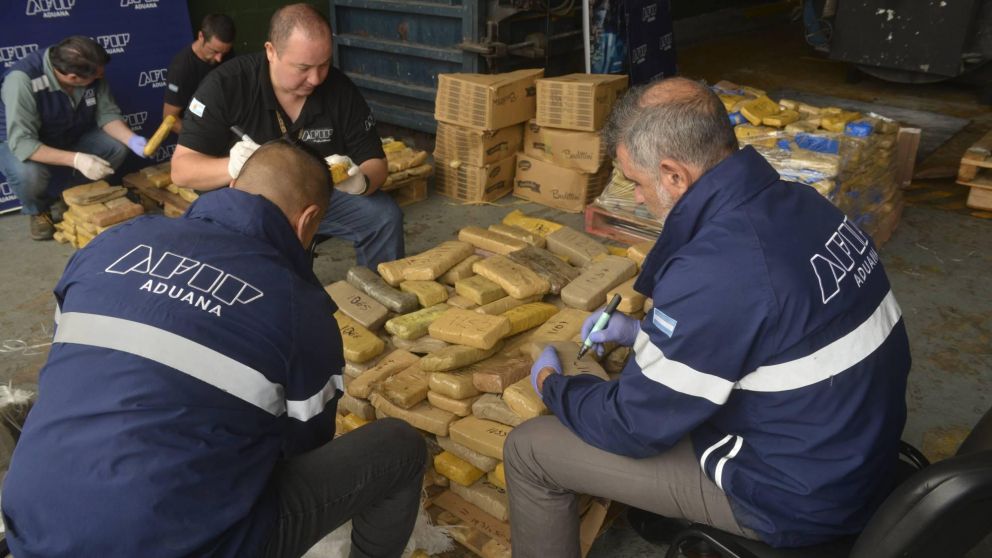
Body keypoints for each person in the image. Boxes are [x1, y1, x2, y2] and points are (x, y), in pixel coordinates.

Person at [507, 77, 912, 555]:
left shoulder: (716, 267)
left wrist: (554, 386)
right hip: (860, 454)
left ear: (674, 176)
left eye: (635, 182)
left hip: (793, 497)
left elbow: (631, 426)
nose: (636, 197)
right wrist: (639, 331)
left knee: (530, 450)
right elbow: (767, 325)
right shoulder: (804, 203)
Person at [1, 140, 427, 558]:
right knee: (400, 448)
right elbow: (304, 445)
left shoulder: (112, 244)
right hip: (188, 543)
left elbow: (66, 355)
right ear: (308, 220)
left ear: (235, 185)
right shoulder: (300, 308)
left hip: (32, 529)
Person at [171, 3, 404, 270]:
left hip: (315, 196)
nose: (316, 79)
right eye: (303, 68)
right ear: (271, 52)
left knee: (383, 216)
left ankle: (377, 291)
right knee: (264, 262)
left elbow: (376, 162)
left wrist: (362, 183)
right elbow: (181, 170)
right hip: (245, 204)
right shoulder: (226, 86)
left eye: (324, 64)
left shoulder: (339, 89)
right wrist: (233, 166)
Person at [0, 36, 148, 240]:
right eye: (97, 75)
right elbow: (23, 143)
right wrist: (77, 160)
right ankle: (39, 210)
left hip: (67, 132)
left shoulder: (90, 68)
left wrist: (131, 139)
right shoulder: (22, 80)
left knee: (115, 146)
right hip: (18, 141)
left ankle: (71, 198)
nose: (102, 76)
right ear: (72, 78)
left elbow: (107, 114)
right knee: (28, 174)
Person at [163, 13, 236, 135]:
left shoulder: (225, 53)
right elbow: (170, 119)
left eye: (224, 53)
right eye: (214, 51)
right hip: (199, 130)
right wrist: (202, 138)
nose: (219, 58)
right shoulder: (181, 68)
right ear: (201, 36)